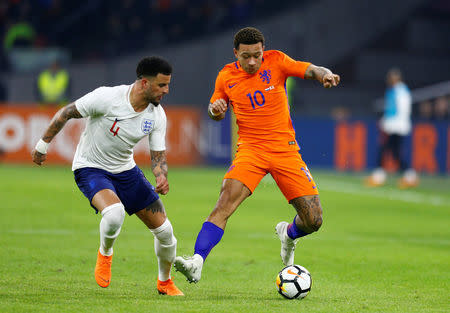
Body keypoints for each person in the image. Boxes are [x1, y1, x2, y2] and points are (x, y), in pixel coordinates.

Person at [174, 27, 340, 283]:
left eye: (257, 55)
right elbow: (214, 109)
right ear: (236, 54)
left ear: (263, 51)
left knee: (314, 220)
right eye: (246, 56)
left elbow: (309, 69)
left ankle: (289, 234)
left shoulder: (277, 61)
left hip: (285, 150)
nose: (252, 61)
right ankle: (196, 262)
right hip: (251, 151)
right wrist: (215, 109)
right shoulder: (226, 76)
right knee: (224, 203)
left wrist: (325, 75)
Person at [31, 56, 184, 296]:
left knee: (166, 234)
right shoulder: (107, 97)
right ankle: (106, 253)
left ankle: (164, 282)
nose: (166, 90)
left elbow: (158, 154)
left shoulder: (157, 115)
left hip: (126, 171)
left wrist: (161, 176)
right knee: (114, 214)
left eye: (167, 85)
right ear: (144, 83)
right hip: (91, 167)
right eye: (161, 85)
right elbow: (66, 112)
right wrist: (42, 145)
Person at [366, 68, 419, 189]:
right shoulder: (394, 90)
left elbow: (402, 110)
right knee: (393, 153)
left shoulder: (400, 91)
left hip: (396, 127)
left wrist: (389, 124)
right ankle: (409, 176)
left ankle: (379, 176)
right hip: (393, 125)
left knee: (384, 151)